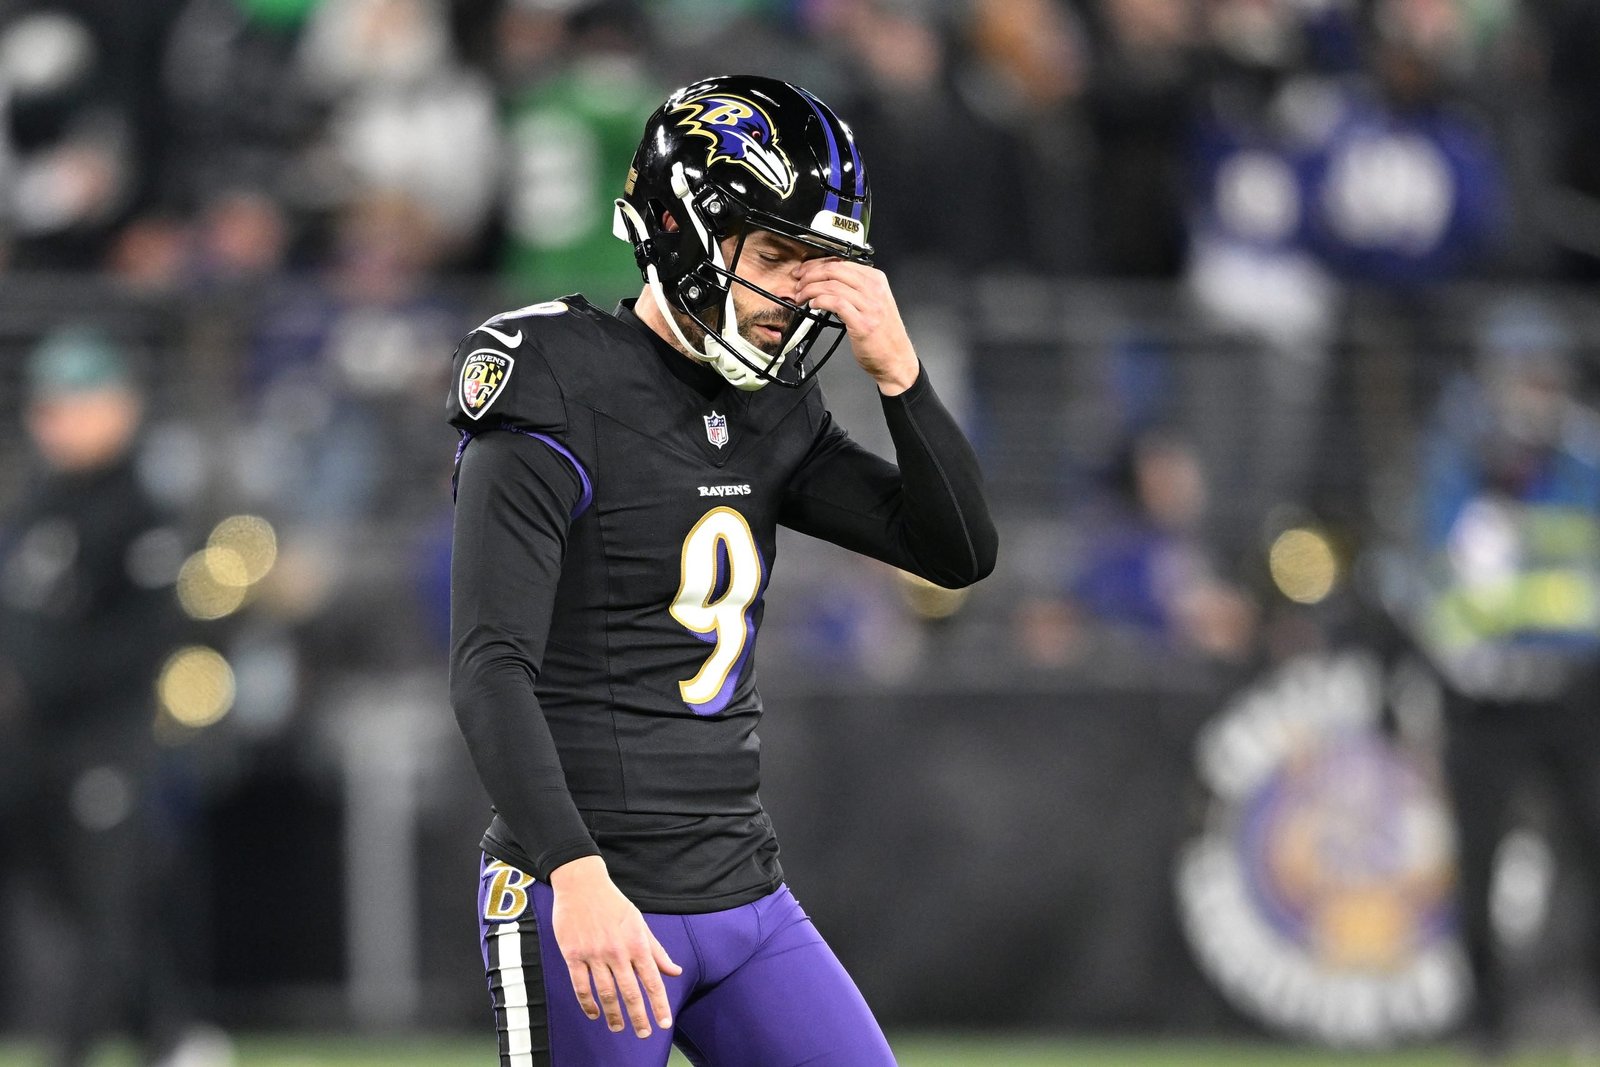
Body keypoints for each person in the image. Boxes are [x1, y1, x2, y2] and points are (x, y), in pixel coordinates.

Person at [447, 74, 997, 1065]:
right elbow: (490, 666)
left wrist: (900, 372)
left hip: (743, 890)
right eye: (780, 254)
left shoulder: (774, 412)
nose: (801, 290)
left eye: (819, 260)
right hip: (591, 888)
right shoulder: (556, 382)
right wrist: (574, 875)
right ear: (682, 229)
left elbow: (954, 550)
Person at [0, 330, 207, 1067]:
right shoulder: (41, 499)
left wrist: (43, 670)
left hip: (104, 738)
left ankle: (81, 1051)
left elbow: (144, 638)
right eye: (48, 407)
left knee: (104, 908)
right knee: (69, 900)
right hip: (32, 740)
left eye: (75, 405)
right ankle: (170, 1035)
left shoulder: (138, 509)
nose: (56, 422)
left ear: (119, 408)